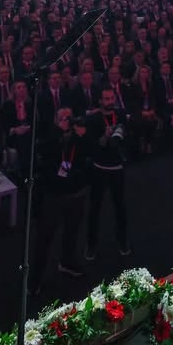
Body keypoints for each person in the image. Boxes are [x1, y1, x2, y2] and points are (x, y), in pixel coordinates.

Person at [29, 107, 89, 294]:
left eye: (69, 118)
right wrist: (59, 132)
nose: (67, 121)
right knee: (44, 238)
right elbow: (44, 153)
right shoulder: (50, 138)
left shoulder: (78, 138)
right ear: (55, 121)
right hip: (53, 195)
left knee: (72, 231)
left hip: (75, 193)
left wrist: (80, 136)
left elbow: (88, 155)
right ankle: (35, 279)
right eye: (62, 118)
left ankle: (67, 262)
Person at [84, 87, 129, 259]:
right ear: (100, 100)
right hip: (99, 168)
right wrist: (105, 136)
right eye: (106, 98)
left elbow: (126, 137)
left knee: (120, 208)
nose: (109, 101)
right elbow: (93, 146)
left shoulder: (122, 115)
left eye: (111, 98)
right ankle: (91, 245)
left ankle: (123, 240)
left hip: (117, 168)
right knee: (94, 209)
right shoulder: (94, 119)